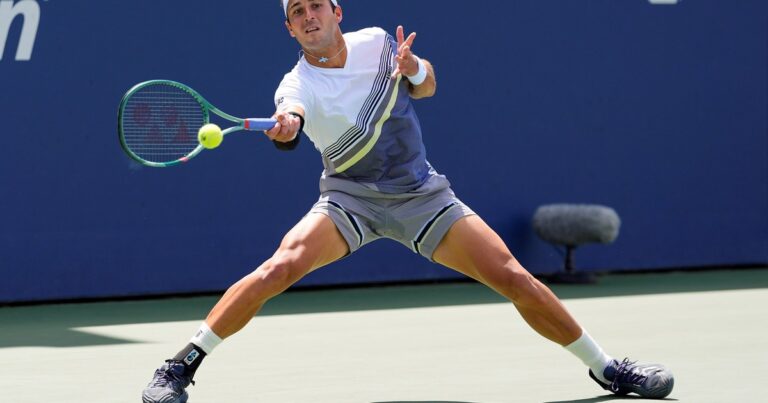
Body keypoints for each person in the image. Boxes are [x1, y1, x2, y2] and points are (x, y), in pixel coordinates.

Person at [141, 1, 674, 402]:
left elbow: (427, 88)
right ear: (289, 28)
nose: (307, 16)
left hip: (422, 195)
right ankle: (180, 366)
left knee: (513, 277)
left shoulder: (377, 43)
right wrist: (287, 127)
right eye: (296, 12)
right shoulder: (294, 85)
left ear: (335, 12)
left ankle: (608, 369)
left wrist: (414, 67)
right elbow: (292, 123)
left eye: (315, 6)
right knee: (282, 265)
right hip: (351, 198)